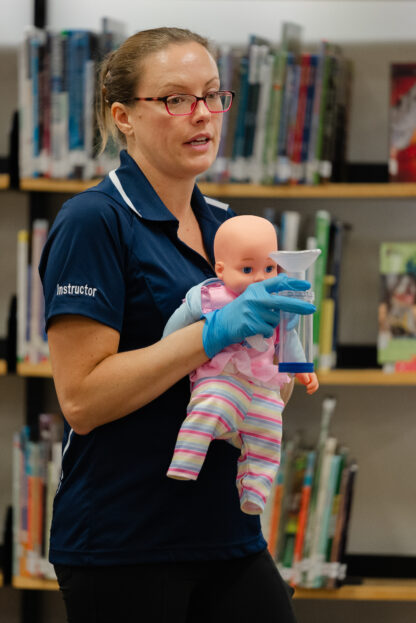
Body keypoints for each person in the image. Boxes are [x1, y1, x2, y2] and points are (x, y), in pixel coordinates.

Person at [39, 27, 316, 623]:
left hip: (227, 529)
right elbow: (82, 398)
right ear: (124, 116)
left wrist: (283, 356)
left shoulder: (228, 228)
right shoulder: (93, 221)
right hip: (125, 540)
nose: (202, 115)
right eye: (174, 99)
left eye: (213, 95)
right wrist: (210, 334)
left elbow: (256, 385)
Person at [163, 214, 319, 515]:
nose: (260, 277)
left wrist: (303, 369)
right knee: (210, 406)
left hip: (261, 384)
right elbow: (174, 329)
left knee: (270, 431)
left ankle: (255, 491)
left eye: (269, 267)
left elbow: (288, 339)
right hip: (223, 375)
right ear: (220, 269)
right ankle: (186, 460)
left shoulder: (276, 300)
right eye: (247, 268)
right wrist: (175, 343)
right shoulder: (211, 296)